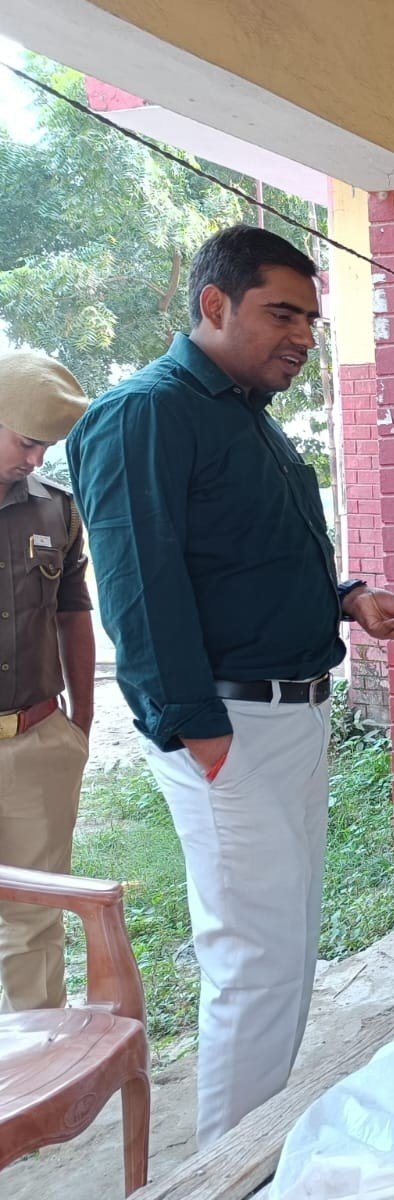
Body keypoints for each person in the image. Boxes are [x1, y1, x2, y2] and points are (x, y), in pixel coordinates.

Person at [66, 224, 394, 1146]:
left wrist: (349, 598)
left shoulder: (247, 416)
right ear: (214, 304)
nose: (302, 336)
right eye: (282, 314)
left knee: (286, 948)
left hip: (292, 715)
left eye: (310, 319)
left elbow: (250, 563)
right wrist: (198, 730)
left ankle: (261, 1148)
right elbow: (140, 588)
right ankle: (226, 1166)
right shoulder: (146, 413)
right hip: (226, 723)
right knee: (254, 960)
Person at [0, 351, 93, 1012]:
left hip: (35, 742)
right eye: (27, 442)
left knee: (35, 922)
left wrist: (79, 722)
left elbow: (73, 614)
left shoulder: (56, 511)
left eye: (46, 448)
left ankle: (38, 1067)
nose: (36, 459)